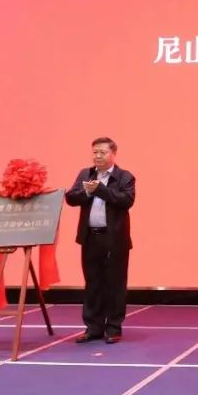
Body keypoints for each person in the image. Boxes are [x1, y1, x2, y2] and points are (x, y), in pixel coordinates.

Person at [65, 137, 136, 345]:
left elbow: (126, 200)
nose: (98, 156)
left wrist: (100, 190)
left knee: (115, 284)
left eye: (102, 152)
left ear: (113, 154)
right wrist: (87, 191)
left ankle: (113, 328)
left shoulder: (124, 176)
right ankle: (93, 327)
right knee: (93, 283)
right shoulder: (85, 174)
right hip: (90, 237)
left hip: (114, 239)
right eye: (95, 152)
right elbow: (71, 198)